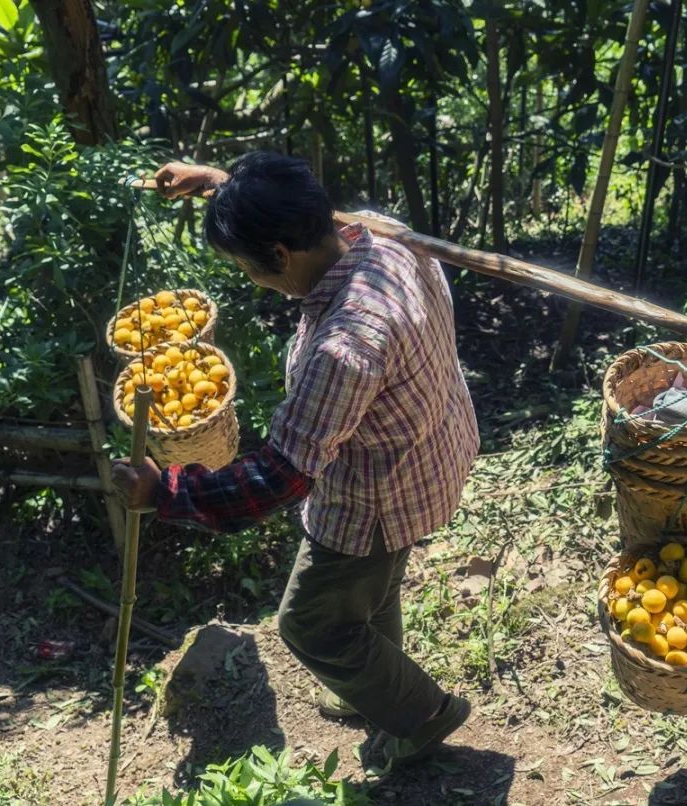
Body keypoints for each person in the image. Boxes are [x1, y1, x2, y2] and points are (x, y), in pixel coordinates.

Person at [111, 153, 479, 768]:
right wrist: (221, 186)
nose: (251, 277)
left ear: (281, 256)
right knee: (368, 590)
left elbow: (279, 476)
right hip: (433, 451)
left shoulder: (347, 344)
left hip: (376, 497)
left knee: (313, 622)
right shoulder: (384, 237)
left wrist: (166, 492)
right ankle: (376, 695)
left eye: (246, 266)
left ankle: (422, 716)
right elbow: (298, 211)